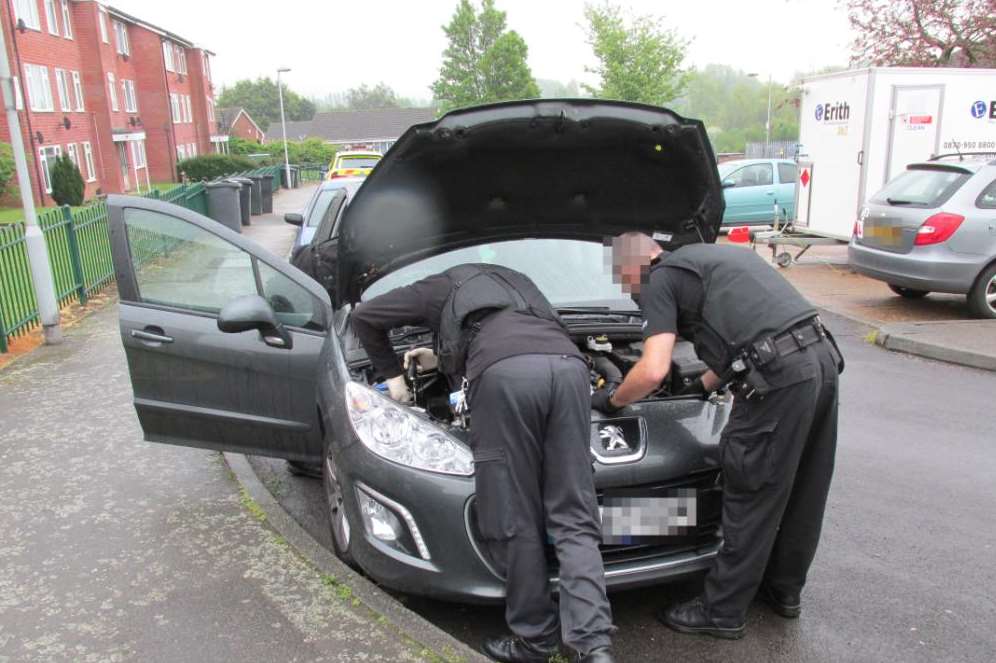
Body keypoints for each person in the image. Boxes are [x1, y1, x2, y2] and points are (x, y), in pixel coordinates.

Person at [352, 263, 615, 663]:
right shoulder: (523, 281)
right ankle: (593, 646)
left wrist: (394, 378)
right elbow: (524, 336)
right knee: (574, 512)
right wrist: (443, 359)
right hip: (569, 368)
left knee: (513, 513)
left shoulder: (441, 284)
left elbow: (365, 317)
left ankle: (535, 640)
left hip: (505, 378)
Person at [592, 233, 843, 639]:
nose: (627, 289)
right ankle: (783, 591)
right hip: (819, 361)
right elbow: (744, 344)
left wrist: (614, 400)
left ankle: (721, 611)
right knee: (803, 487)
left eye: (623, 278)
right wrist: (699, 390)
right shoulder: (713, 258)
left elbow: (653, 370)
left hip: (778, 378)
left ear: (632, 266)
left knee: (753, 488)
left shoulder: (658, 279)